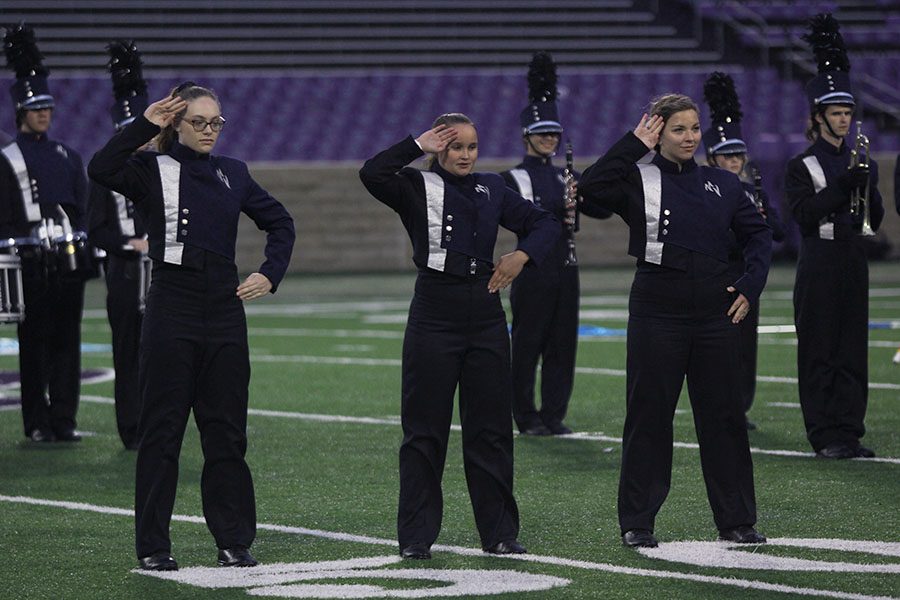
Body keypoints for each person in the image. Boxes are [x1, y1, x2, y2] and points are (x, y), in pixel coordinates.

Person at [88, 83, 295, 571]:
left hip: (224, 310)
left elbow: (281, 222)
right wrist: (145, 124)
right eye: (199, 122)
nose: (209, 131)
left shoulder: (234, 172)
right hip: (173, 306)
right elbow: (100, 168)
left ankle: (234, 539)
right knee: (161, 432)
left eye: (215, 122)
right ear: (177, 124)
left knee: (226, 433)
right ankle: (154, 546)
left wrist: (270, 271)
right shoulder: (149, 168)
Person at [359, 112, 559, 559]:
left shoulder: (492, 187)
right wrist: (417, 144)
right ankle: (415, 537)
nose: (465, 155)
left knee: (490, 431)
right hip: (434, 311)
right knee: (424, 432)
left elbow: (547, 223)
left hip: (485, 313)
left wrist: (521, 255)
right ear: (438, 148)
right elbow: (372, 172)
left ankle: (500, 534)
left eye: (471, 146)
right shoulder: (415, 186)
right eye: (454, 146)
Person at [579, 94, 772, 549]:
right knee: (649, 415)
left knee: (724, 418)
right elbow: (589, 191)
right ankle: (638, 522)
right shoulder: (636, 177)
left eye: (694, 129)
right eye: (678, 129)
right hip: (656, 308)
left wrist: (750, 285)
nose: (689, 138)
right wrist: (632, 143)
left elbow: (759, 235)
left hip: (715, 311)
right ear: (658, 133)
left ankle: (737, 519)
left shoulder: (722, 184)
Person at [785, 14, 884, 459]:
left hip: (853, 258)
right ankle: (823, 433)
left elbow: (875, 220)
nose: (844, 120)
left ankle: (850, 429)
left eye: (848, 113)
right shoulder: (801, 166)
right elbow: (803, 216)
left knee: (852, 348)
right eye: (836, 113)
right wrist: (843, 186)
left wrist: (868, 186)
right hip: (818, 260)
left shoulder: (861, 160)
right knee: (820, 349)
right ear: (819, 117)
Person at [502, 51, 611, 436]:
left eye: (554, 133)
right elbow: (519, 217)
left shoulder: (569, 174)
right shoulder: (512, 178)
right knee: (528, 345)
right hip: (533, 270)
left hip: (567, 268)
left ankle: (553, 414)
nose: (549, 139)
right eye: (542, 133)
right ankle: (525, 415)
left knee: (563, 345)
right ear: (526, 135)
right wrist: (556, 204)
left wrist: (585, 192)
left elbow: (600, 211)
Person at [1, 24, 88, 443]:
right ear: (20, 111)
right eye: (35, 107)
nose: (43, 113)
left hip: (66, 259)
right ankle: (36, 422)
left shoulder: (68, 156)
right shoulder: (7, 158)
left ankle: (65, 419)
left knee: (67, 343)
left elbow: (81, 207)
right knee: (32, 344)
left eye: (47, 107)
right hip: (29, 262)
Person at [702, 71, 786, 431]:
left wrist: (763, 217)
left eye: (738, 154)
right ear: (713, 158)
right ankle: (719, 407)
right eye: (727, 156)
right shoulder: (705, 191)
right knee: (718, 348)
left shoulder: (755, 192)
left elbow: (780, 233)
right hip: (719, 279)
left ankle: (740, 406)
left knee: (746, 346)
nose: (735, 161)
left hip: (749, 278)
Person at [87, 40, 150, 450]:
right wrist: (130, 243)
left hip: (163, 275)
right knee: (127, 355)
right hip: (126, 275)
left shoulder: (168, 166)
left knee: (165, 356)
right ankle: (132, 429)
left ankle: (161, 424)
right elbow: (96, 231)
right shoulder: (104, 171)